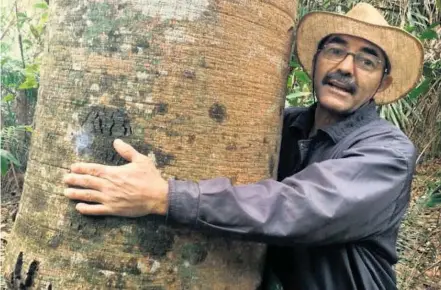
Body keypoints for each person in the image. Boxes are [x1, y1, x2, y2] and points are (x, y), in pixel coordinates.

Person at [63, 3, 424, 290]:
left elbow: (298, 208)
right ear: (314, 61)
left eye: (367, 61)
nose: (346, 68)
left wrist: (164, 197)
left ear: (382, 82)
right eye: (335, 50)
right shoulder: (282, 124)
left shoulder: (387, 152)